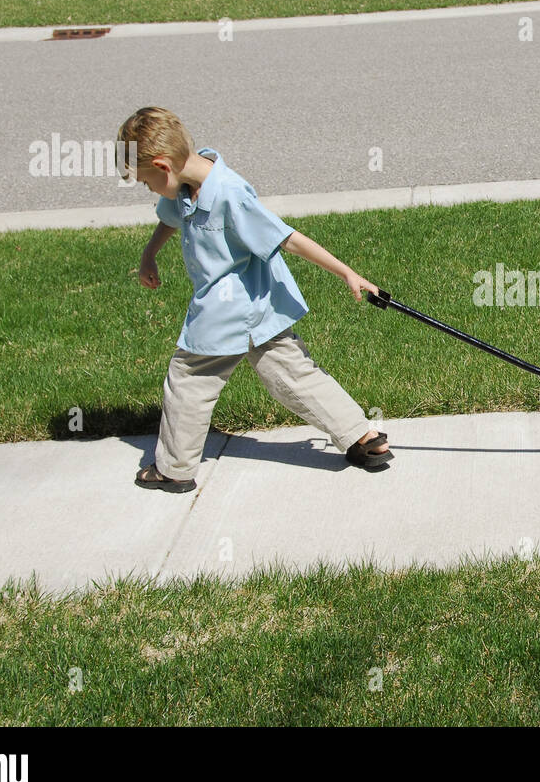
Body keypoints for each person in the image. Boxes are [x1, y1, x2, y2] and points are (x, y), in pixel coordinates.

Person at [118, 107, 391, 493]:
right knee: (295, 376)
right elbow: (171, 217)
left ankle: (175, 470)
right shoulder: (185, 181)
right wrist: (150, 253)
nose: (148, 190)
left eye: (145, 182)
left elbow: (287, 238)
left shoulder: (229, 194)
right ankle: (363, 438)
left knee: (188, 381)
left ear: (163, 167)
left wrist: (346, 271)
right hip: (260, 311)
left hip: (225, 313)